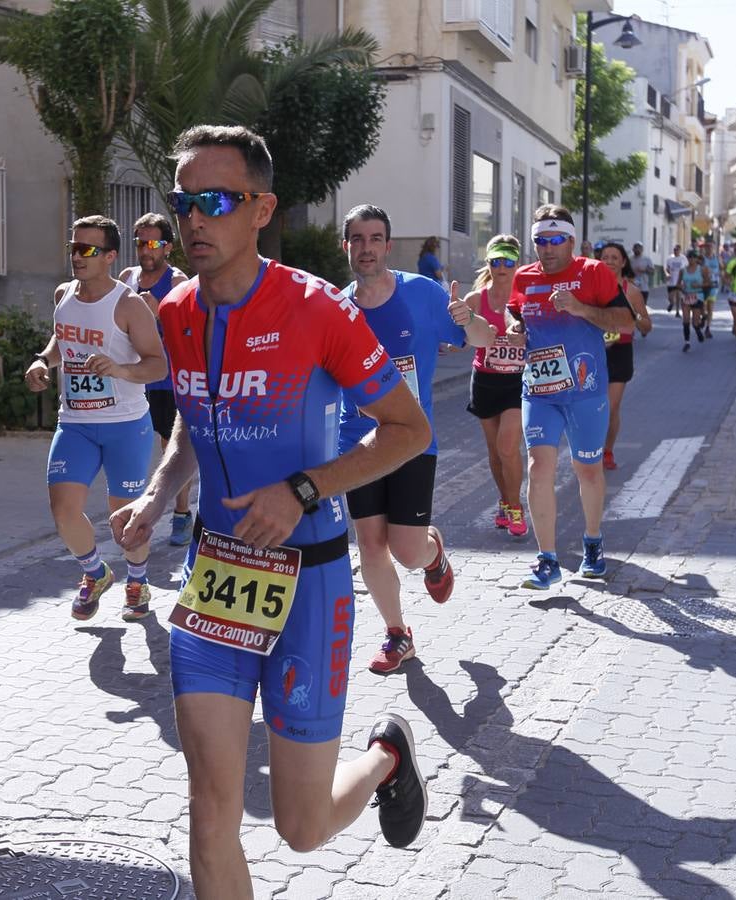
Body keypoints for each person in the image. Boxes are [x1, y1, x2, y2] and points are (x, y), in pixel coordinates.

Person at [111, 125, 433, 898]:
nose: (192, 219)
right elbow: (194, 417)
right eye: (182, 201)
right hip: (214, 583)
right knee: (210, 808)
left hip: (309, 583)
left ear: (261, 209)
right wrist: (157, 496)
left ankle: (386, 756)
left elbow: (407, 429)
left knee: (300, 826)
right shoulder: (178, 311)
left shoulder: (316, 309)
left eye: (214, 201)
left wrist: (302, 490)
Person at [338, 204, 495, 675]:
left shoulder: (424, 294)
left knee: (406, 551)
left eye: (375, 238)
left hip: (410, 439)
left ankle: (433, 552)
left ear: (388, 245)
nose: (366, 248)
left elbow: (485, 340)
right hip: (356, 440)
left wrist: (467, 318)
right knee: (369, 543)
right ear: (345, 246)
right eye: (357, 239)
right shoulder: (335, 307)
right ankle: (396, 633)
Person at [25, 216, 168, 621]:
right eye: (73, 248)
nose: (77, 257)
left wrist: (121, 371)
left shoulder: (129, 304)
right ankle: (95, 573)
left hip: (125, 425)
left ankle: (137, 582)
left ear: (109, 257)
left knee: (125, 518)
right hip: (75, 423)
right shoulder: (63, 294)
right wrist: (42, 362)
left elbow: (157, 366)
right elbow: (61, 340)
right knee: (63, 509)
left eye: (87, 250)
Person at [506, 206, 635, 590]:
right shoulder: (524, 276)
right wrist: (516, 331)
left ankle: (592, 543)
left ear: (571, 241)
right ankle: (547, 560)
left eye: (554, 240)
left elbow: (625, 322)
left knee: (587, 470)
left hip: (585, 389)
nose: (546, 249)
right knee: (538, 467)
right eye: (539, 241)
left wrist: (580, 308)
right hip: (540, 390)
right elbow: (517, 316)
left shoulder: (592, 273)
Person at [119, 212, 195, 547]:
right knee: (131, 444)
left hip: (166, 378)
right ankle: (132, 510)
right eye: (140, 243)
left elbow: (189, 332)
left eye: (152, 243)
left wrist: (158, 312)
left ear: (167, 247)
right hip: (132, 376)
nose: (145, 250)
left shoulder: (178, 282)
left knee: (172, 447)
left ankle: (181, 514)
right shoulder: (127, 277)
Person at [464, 234, 530, 537]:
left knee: (507, 446)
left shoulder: (528, 296)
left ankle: (516, 507)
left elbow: (548, 335)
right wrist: (477, 333)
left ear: (517, 263)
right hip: (486, 380)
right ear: (488, 263)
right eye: (496, 261)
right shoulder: (476, 299)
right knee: (494, 452)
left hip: (518, 381)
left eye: (508, 261)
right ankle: (505, 501)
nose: (502, 267)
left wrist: (524, 339)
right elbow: (458, 338)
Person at [594, 242, 653, 471]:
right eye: (605, 257)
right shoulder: (591, 288)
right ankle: (590, 449)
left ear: (623, 262)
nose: (609, 261)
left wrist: (634, 313)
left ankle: (607, 450)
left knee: (610, 407)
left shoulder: (632, 291)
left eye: (614, 257)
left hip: (620, 351)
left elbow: (647, 327)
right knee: (591, 406)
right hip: (594, 350)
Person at [677, 249, 711, 351]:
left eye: (693, 257)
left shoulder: (702, 269)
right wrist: (682, 289)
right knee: (686, 319)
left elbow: (708, 283)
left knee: (695, 322)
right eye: (689, 257)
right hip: (687, 296)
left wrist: (699, 285)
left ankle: (698, 331)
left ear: (696, 259)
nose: (691, 259)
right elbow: (678, 284)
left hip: (698, 296)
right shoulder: (683, 270)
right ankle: (687, 342)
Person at [700, 242, 722, 338]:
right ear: (705, 249)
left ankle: (708, 328)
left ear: (714, 248)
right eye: (707, 247)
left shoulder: (717, 258)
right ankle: (703, 317)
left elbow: (723, 269)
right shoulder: (702, 259)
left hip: (714, 285)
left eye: (711, 247)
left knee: (710, 307)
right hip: (703, 284)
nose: (709, 249)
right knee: (703, 305)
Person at [663, 244, 686, 315]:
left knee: (679, 296)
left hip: (680, 280)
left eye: (677, 250)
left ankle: (677, 312)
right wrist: (667, 274)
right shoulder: (670, 258)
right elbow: (666, 268)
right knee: (670, 297)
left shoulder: (683, 258)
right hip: (671, 280)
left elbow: (686, 268)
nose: (675, 251)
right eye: (674, 250)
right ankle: (671, 303)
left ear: (680, 250)